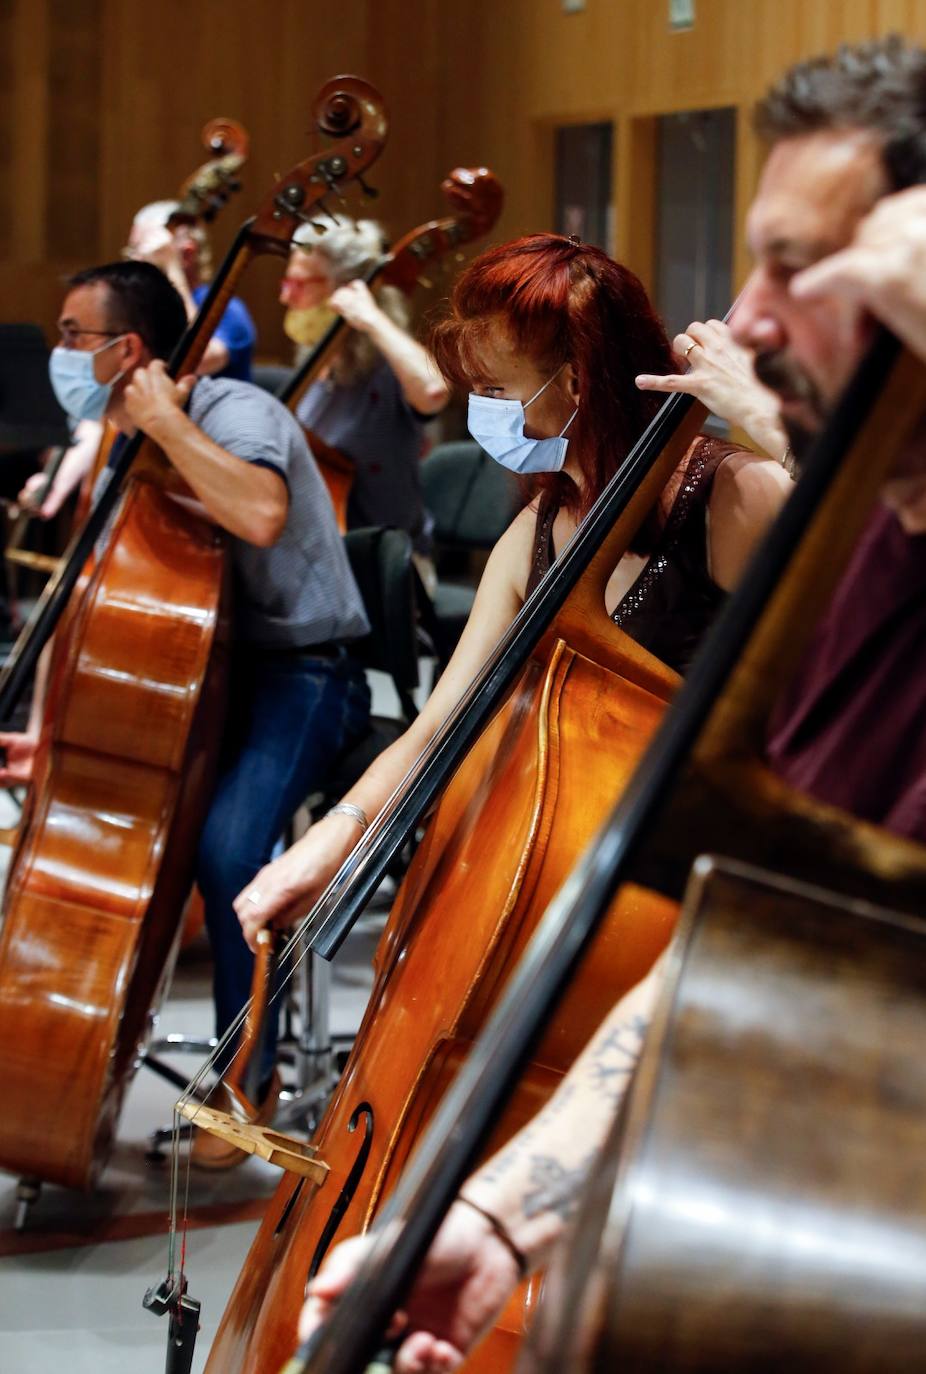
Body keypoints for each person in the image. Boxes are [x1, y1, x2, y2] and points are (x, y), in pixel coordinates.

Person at [293, 37, 926, 1371]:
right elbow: (753, 937)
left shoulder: (788, 517)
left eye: (804, 268)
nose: (743, 317)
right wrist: (503, 1213)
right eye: (752, 259)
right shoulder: (871, 563)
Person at [236, 232, 791, 946]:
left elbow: (855, 628)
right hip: (574, 878)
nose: (482, 411)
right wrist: (338, 836)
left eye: (495, 390)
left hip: (693, 888)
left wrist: (774, 424)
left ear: (576, 381)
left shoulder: (730, 497)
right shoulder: (536, 527)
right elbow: (437, 728)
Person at [0, 261, 371, 1157]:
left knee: (231, 849)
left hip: (307, 674)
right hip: (215, 679)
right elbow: (90, 610)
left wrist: (165, 417)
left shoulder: (235, 412)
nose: (58, 351)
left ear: (128, 350)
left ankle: (251, 1080)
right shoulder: (119, 444)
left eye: (72, 334)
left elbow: (260, 514)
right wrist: (55, 735)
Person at [15, 199, 258, 524]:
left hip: (209, 464)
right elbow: (101, 418)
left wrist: (170, 268)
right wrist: (55, 484)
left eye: (140, 253)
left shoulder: (226, 309)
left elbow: (192, 355)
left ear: (184, 253)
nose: (131, 265)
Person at [280, 218, 451, 585]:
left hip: (385, 571)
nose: (285, 297)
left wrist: (371, 318)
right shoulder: (316, 363)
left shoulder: (386, 370)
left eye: (298, 284)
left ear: (344, 291)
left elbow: (434, 390)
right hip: (323, 559)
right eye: (286, 281)